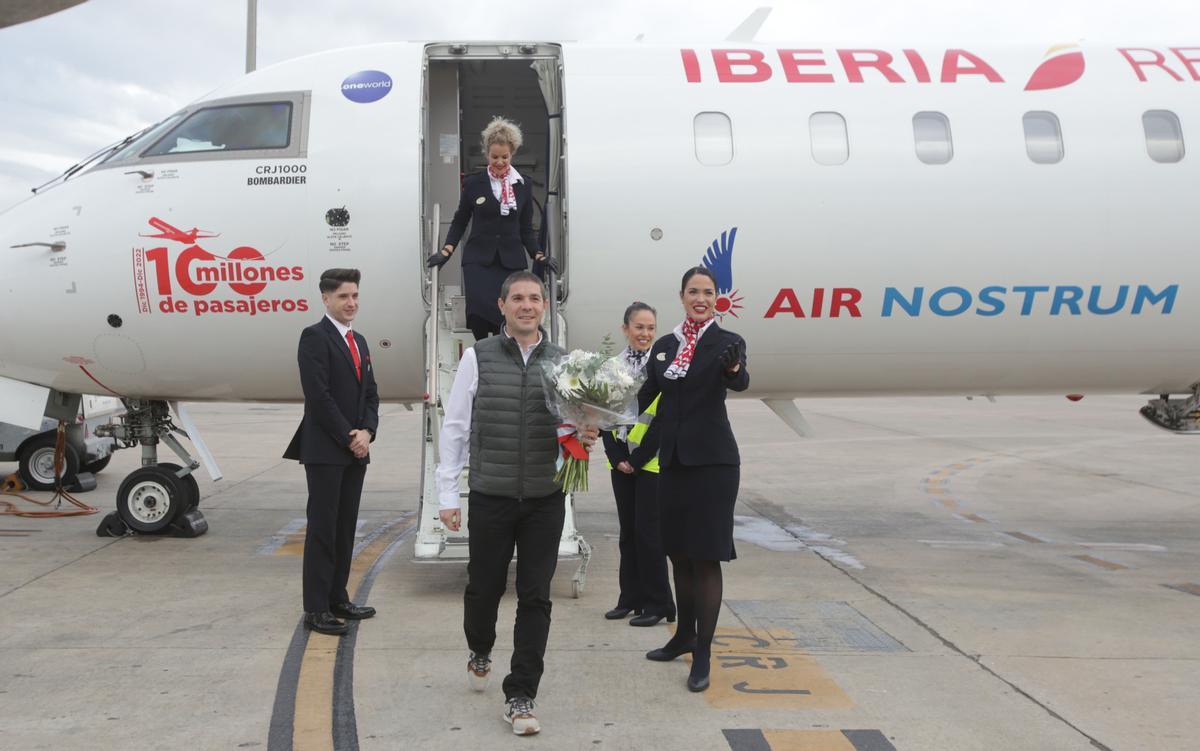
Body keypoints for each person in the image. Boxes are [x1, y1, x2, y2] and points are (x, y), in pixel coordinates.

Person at [435, 270, 598, 736]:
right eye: (518, 299)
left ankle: (521, 694)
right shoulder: (479, 357)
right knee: (483, 589)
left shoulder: (564, 362)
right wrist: (449, 495)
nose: (527, 306)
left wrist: (587, 433)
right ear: (503, 306)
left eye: (535, 298)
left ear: (545, 307)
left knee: (536, 596)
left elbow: (572, 430)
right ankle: (480, 647)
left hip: (545, 499)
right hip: (492, 495)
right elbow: (457, 428)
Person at [639, 266, 749, 692]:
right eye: (692, 291)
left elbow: (739, 380)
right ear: (681, 296)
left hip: (713, 465)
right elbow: (645, 395)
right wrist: (597, 408)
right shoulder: (666, 346)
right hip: (674, 463)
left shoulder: (727, 343)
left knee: (705, 557)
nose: (699, 298)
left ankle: (703, 653)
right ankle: (683, 636)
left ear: (717, 298)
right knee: (679, 554)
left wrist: (734, 368)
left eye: (707, 292)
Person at [283, 268, 380, 636]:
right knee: (323, 529)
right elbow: (318, 396)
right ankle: (316, 608)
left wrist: (368, 432)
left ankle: (338, 597)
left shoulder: (361, 342)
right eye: (343, 297)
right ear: (326, 299)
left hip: (357, 449)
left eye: (355, 295)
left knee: (345, 528)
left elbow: (370, 393)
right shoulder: (314, 338)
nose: (351, 303)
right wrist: (349, 435)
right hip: (327, 449)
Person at [427, 117, 557, 342]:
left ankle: (503, 354)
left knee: (506, 315)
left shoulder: (523, 185)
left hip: (510, 261)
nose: (499, 162)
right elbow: (460, 220)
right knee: (477, 312)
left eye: (504, 157)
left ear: (512, 154)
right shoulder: (473, 183)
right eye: (495, 156)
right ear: (487, 154)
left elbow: (526, 228)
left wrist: (539, 255)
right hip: (478, 259)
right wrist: (446, 251)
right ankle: (482, 350)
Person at [600, 302, 676, 627]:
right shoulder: (611, 366)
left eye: (650, 328)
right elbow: (601, 415)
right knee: (627, 533)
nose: (645, 334)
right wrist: (617, 460)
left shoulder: (661, 366)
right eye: (639, 327)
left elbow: (663, 420)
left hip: (651, 464)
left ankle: (659, 604)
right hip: (621, 465)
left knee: (650, 534)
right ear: (625, 329)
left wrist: (636, 459)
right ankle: (629, 598)